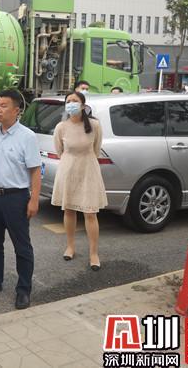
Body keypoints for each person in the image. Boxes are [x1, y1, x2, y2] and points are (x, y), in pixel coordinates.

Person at [0, 89, 41, 310]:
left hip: (16, 198)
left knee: (22, 246)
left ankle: (23, 290)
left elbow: (35, 171)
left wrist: (34, 200)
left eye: (3, 106)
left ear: (16, 110)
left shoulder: (27, 137)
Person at [51, 91, 107, 271]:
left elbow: (96, 149)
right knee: (69, 210)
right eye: (68, 101)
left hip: (88, 171)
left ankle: (94, 253)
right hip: (68, 171)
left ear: (83, 105)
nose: (71, 104)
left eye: (74, 101)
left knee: (90, 213)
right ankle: (70, 246)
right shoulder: (61, 127)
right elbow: (60, 151)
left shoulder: (95, 125)